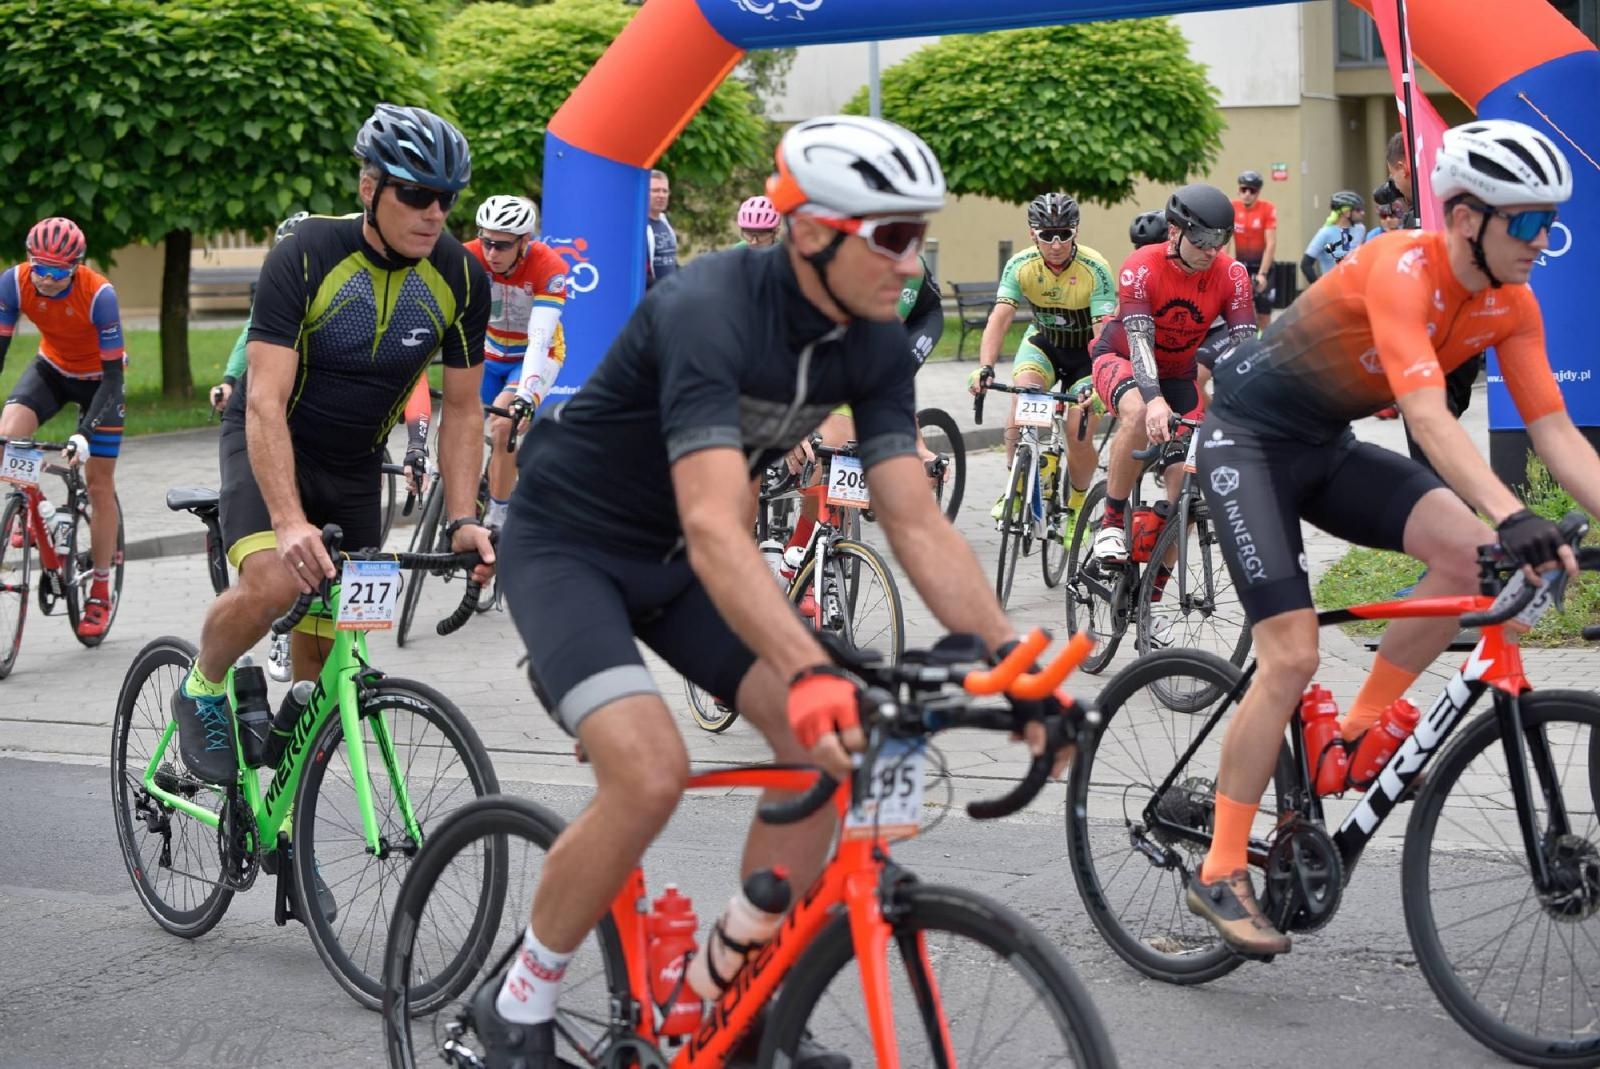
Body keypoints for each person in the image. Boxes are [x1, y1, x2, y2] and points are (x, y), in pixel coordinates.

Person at [477, 115, 1072, 1067]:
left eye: (918, 232)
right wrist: (810, 665)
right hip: (570, 547)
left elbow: (914, 519)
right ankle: (520, 994)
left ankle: (728, 993)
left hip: (675, 563)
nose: (910, 258)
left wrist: (1013, 658)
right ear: (809, 231)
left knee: (823, 747)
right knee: (650, 770)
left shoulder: (870, 337)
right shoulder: (710, 308)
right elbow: (718, 523)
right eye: (889, 235)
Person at [1189, 119, 1585, 956]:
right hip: (1248, 444)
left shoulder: (1511, 305)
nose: (1541, 240)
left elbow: (1555, 431)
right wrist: (1512, 515)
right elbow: (1427, 417)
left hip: (1325, 446)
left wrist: (1509, 523)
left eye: (1549, 222)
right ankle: (1221, 867)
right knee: (1290, 655)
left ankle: (1356, 733)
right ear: (1467, 217)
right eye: (1525, 222)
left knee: (1466, 558)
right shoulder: (1405, 267)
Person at [169, 103, 495, 789]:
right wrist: (287, 521)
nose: (434, 212)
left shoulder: (462, 278)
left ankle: (284, 829)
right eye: (415, 193)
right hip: (270, 441)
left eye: (446, 198)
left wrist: (463, 517)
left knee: (330, 660)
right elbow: (261, 400)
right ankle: (204, 682)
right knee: (274, 582)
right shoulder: (307, 254)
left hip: (354, 466)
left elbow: (464, 409)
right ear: (368, 187)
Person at [211, 212, 433, 505]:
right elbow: (250, 338)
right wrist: (229, 380)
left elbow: (414, 381)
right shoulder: (288, 290)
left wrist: (417, 445)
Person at [1089, 185, 1255, 574]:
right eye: (1201, 239)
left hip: (1178, 374)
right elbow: (1140, 342)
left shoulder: (1232, 274)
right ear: (1175, 232)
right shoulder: (1141, 266)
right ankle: (1112, 521)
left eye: (1221, 239)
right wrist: (1155, 400)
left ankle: (1149, 596)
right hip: (1122, 358)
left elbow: (1247, 352)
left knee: (1190, 489)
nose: (1212, 249)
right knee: (1138, 411)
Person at [0, 217, 126, 638]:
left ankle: (101, 588)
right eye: (40, 269)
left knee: (99, 484)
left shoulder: (99, 295)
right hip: (52, 368)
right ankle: (35, 511)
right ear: (29, 261)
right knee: (9, 433)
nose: (47, 280)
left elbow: (113, 380)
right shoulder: (14, 283)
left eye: (57, 272)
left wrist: (84, 433)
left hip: (101, 383)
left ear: (75, 267)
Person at [967, 192, 1116, 526]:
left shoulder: (1096, 268)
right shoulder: (1020, 265)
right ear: (1032, 232)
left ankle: (1077, 503)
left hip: (1085, 356)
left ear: (1076, 231)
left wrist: (1102, 381)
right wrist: (986, 367)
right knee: (1023, 401)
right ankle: (1014, 485)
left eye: (1065, 233)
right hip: (1044, 346)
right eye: (1048, 235)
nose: (1057, 243)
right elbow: (1001, 316)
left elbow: (1103, 333)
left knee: (1079, 429)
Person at [466, 194, 570, 531]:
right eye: (486, 242)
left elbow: (540, 339)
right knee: (458, 420)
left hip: (532, 356)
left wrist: (526, 395)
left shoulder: (548, 265)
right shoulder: (469, 256)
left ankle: (499, 516)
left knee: (502, 425)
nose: (491, 253)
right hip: (489, 351)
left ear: (525, 242)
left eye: (502, 245)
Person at [1230, 170, 1278, 330]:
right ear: (1239, 190)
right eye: (1244, 190)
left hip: (1262, 266)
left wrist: (1263, 274)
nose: (1247, 194)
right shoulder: (1233, 207)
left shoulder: (1267, 208)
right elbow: (1226, 240)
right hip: (1242, 266)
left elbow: (1271, 243)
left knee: (1264, 311)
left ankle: (1264, 345)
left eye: (1252, 191)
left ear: (1258, 192)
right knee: (1243, 309)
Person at [1300, 190, 1366, 284]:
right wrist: (1319, 287)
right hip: (1333, 289)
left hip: (1354, 287)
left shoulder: (1360, 229)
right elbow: (1305, 264)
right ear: (1346, 212)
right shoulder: (1325, 233)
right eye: (1358, 210)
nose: (1363, 213)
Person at [645, 169, 678, 288]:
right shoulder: (638, 228)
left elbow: (671, 260)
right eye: (655, 191)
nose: (661, 195)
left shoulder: (665, 222)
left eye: (665, 191)